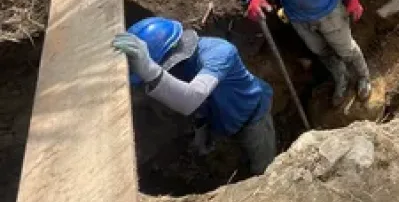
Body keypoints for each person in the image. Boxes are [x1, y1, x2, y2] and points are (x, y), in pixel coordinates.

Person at [112, 16, 276, 175]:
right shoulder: (180, 67)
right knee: (230, 148)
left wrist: (149, 70)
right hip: (219, 115)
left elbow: (191, 98)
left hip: (252, 114)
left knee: (263, 168)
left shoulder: (219, 53)